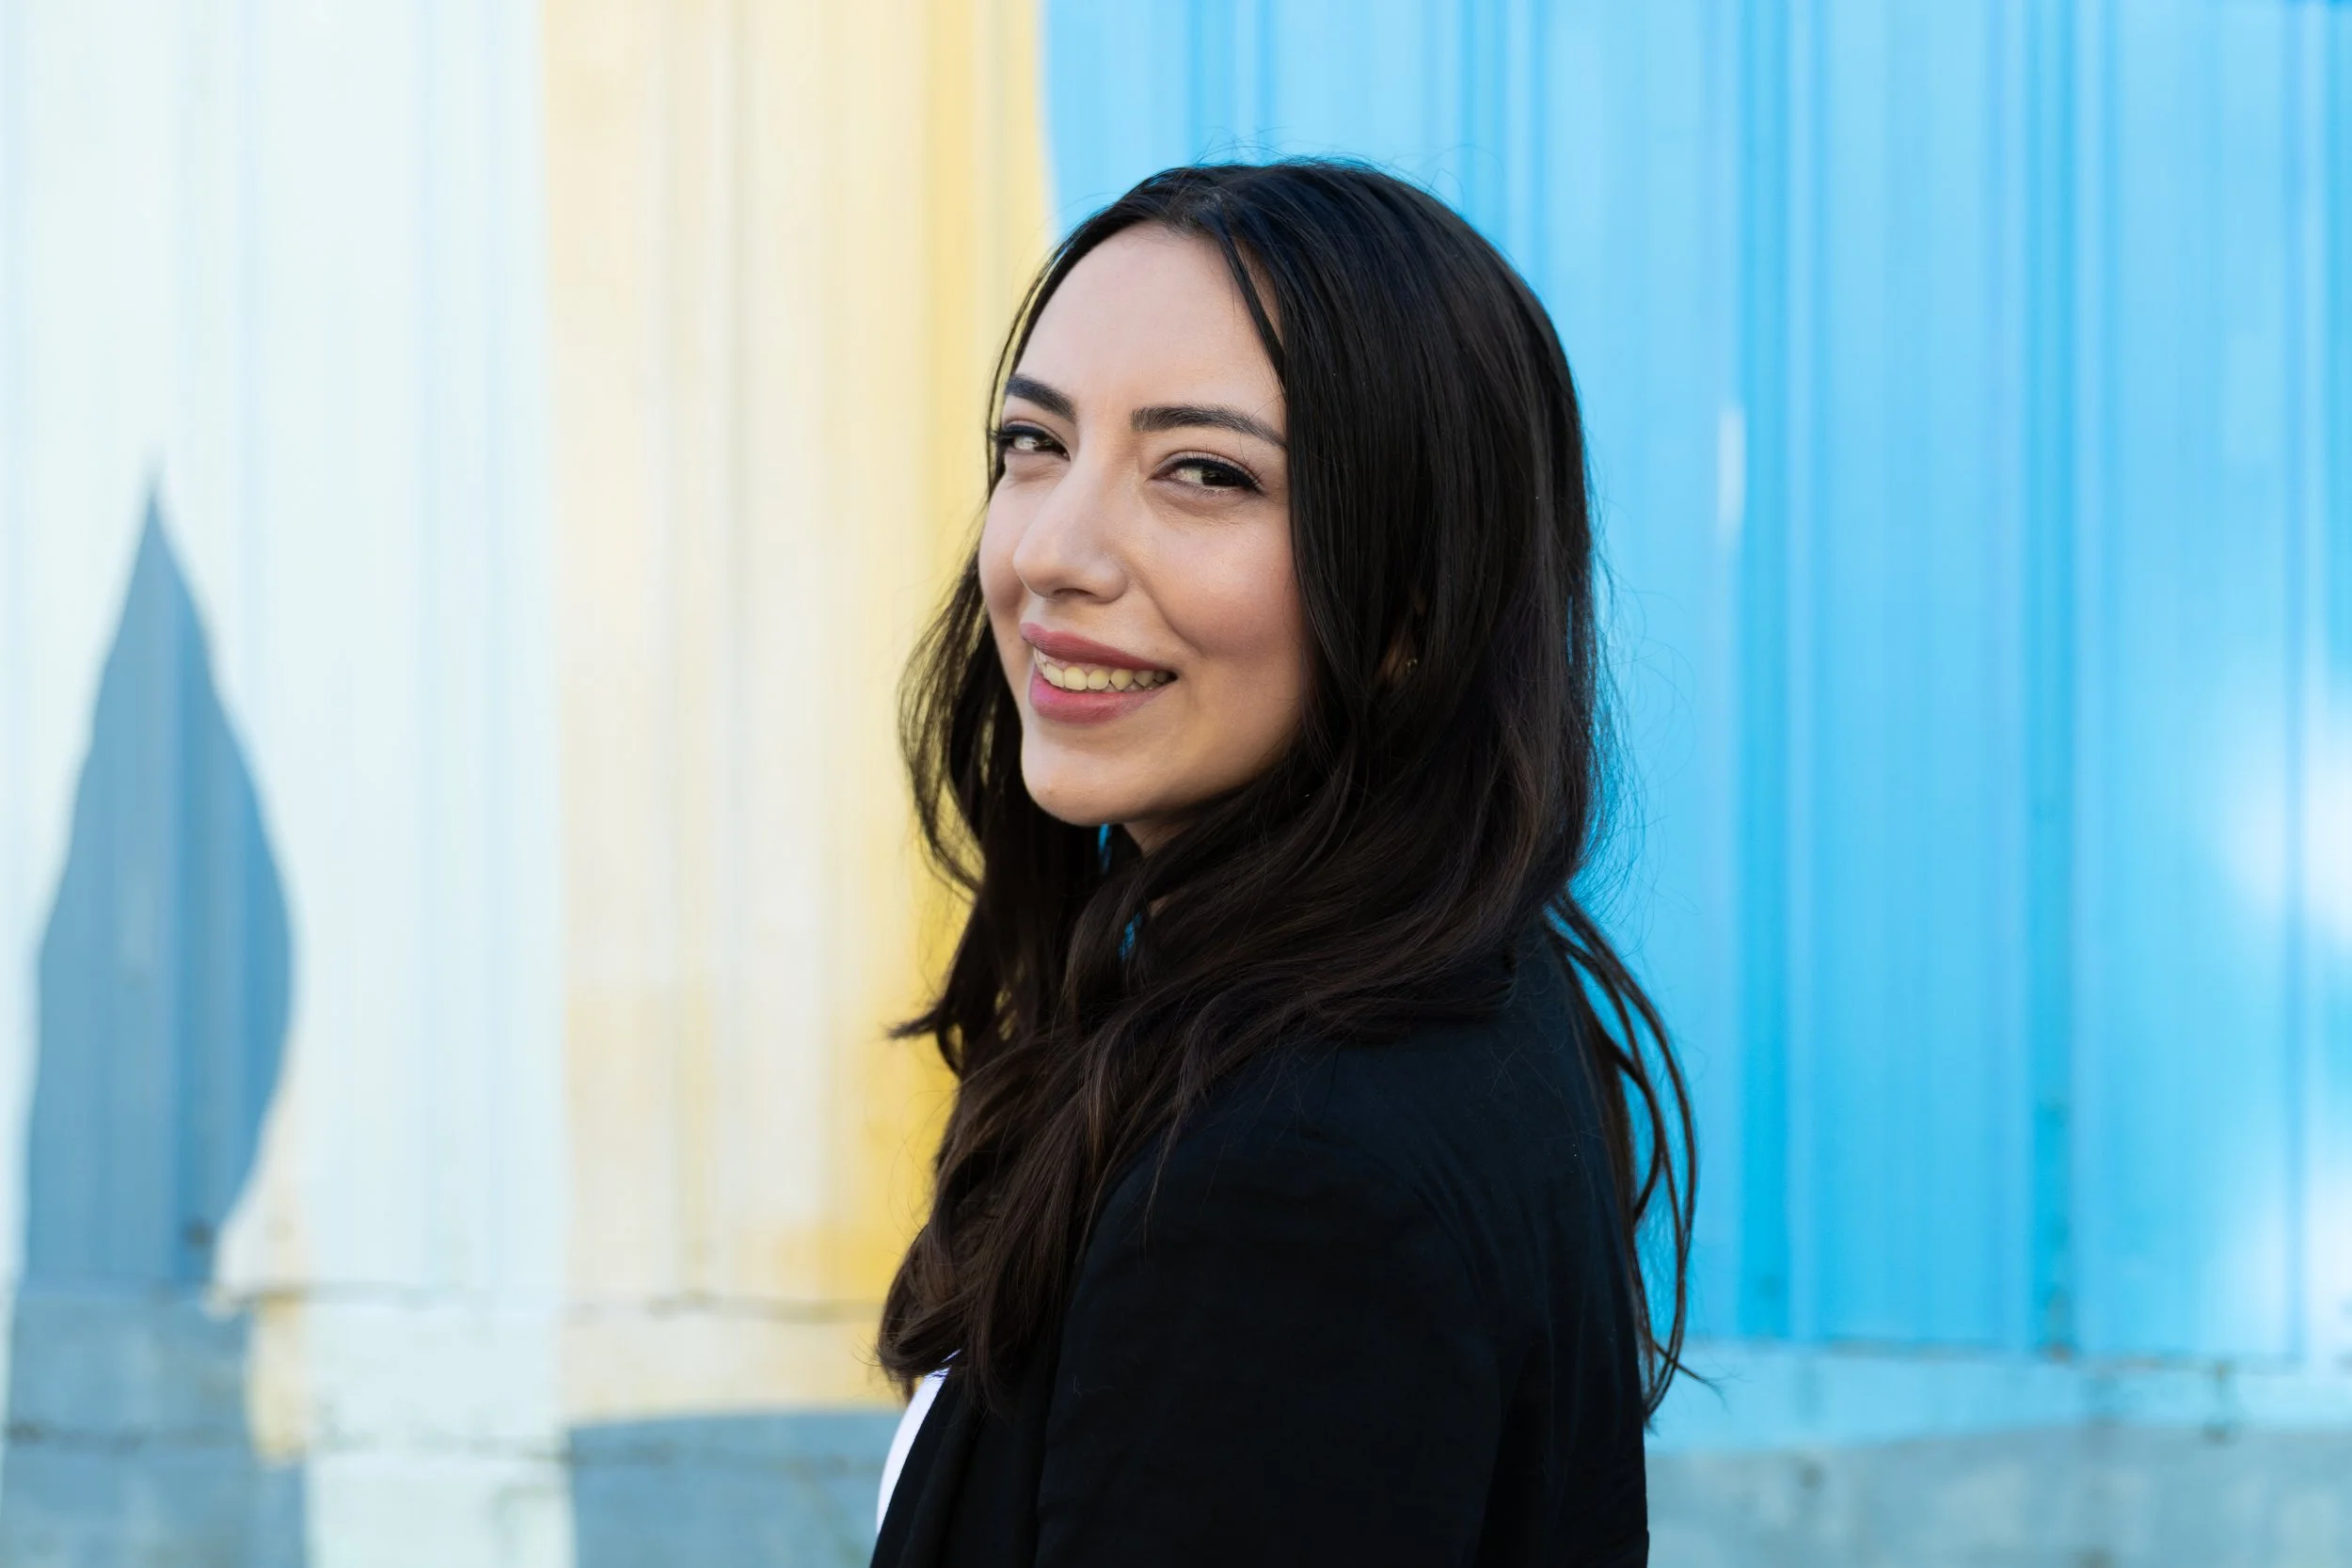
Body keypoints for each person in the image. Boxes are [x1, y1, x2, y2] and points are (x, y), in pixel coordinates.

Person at [869, 160, 1694, 1568]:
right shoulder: (1451, 980)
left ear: (1411, 603)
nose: (1053, 552)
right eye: (1034, 442)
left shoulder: (1286, 1182)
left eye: (1204, 472)